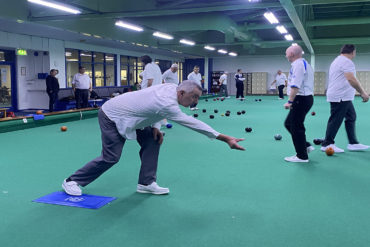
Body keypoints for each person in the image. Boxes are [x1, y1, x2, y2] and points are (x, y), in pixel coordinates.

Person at [62, 80, 245, 196]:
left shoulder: (171, 88)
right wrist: (225, 138)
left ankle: (146, 183)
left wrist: (156, 126)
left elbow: (153, 108)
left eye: (198, 97)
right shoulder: (167, 102)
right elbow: (192, 123)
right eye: (193, 97)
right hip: (112, 115)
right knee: (111, 157)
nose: (195, 101)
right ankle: (72, 181)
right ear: (181, 93)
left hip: (135, 117)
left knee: (153, 140)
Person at [321, 44, 369, 153]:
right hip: (340, 96)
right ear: (353, 52)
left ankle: (353, 143)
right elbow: (351, 79)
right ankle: (327, 144)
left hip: (343, 96)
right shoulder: (347, 62)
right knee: (336, 120)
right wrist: (362, 92)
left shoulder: (337, 60)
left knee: (351, 116)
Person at [283, 45, 315, 163]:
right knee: (289, 124)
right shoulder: (304, 63)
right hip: (304, 99)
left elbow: (295, 85)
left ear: (291, 53)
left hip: (300, 99)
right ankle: (305, 146)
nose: (286, 56)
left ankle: (302, 156)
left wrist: (290, 101)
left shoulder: (298, 65)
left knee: (296, 127)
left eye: (286, 53)